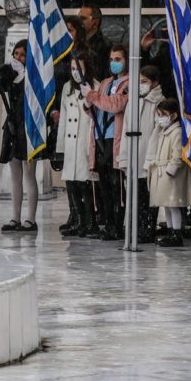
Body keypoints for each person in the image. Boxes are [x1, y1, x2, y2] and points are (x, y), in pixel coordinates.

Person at [0, 40, 37, 233]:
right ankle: (15, 217)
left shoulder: (32, 78)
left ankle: (30, 219)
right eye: (16, 54)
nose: (18, 58)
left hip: (28, 129)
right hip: (13, 129)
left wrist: (24, 74)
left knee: (29, 175)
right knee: (15, 177)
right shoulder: (8, 75)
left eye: (22, 55)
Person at [84, 44, 130, 241]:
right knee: (104, 186)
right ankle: (108, 223)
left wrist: (93, 97)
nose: (114, 63)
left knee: (117, 185)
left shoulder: (129, 83)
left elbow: (116, 104)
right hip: (100, 137)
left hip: (116, 138)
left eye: (118, 59)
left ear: (126, 61)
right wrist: (87, 103)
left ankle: (118, 226)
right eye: (112, 59)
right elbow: (96, 108)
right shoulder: (105, 82)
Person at [119, 64, 163, 242]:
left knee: (149, 196)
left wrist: (152, 158)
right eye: (139, 81)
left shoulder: (159, 102)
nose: (141, 85)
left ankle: (148, 227)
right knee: (134, 195)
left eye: (145, 81)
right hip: (133, 156)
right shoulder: (132, 101)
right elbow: (125, 130)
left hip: (148, 157)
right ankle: (134, 226)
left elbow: (157, 132)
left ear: (154, 83)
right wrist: (123, 157)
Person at [56, 54, 97, 237]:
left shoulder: (95, 86)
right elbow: (64, 120)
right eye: (72, 69)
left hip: (85, 142)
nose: (75, 73)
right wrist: (61, 148)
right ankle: (78, 220)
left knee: (85, 185)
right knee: (72, 185)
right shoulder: (67, 88)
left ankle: (90, 222)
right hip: (71, 144)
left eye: (79, 68)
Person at [149, 98, 191, 247]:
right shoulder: (164, 131)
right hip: (163, 172)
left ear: (173, 116)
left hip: (171, 175)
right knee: (166, 204)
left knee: (173, 204)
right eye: (159, 114)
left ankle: (176, 233)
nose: (160, 117)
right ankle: (170, 231)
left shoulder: (176, 132)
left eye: (163, 114)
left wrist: (171, 170)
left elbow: (177, 154)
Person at [76, 4, 111, 69]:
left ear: (95, 23)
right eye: (78, 18)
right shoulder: (76, 44)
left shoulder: (106, 47)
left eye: (83, 18)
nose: (78, 22)